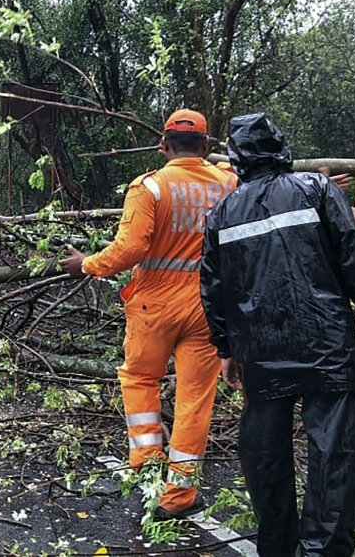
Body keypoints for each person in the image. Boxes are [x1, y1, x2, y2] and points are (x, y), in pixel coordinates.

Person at [199, 113, 355, 556]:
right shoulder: (316, 189)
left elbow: (213, 289)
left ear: (236, 161)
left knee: (264, 453)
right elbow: (353, 259)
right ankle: (323, 551)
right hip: (326, 343)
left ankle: (277, 546)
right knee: (334, 456)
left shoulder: (221, 213)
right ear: (280, 149)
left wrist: (227, 349)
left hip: (261, 350)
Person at [60, 109, 237, 519]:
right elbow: (248, 180)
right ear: (207, 147)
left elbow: (131, 249)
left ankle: (146, 464)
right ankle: (178, 497)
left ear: (163, 144)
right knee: (195, 399)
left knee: (140, 378)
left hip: (153, 305)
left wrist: (86, 264)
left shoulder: (150, 188)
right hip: (209, 306)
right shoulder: (229, 184)